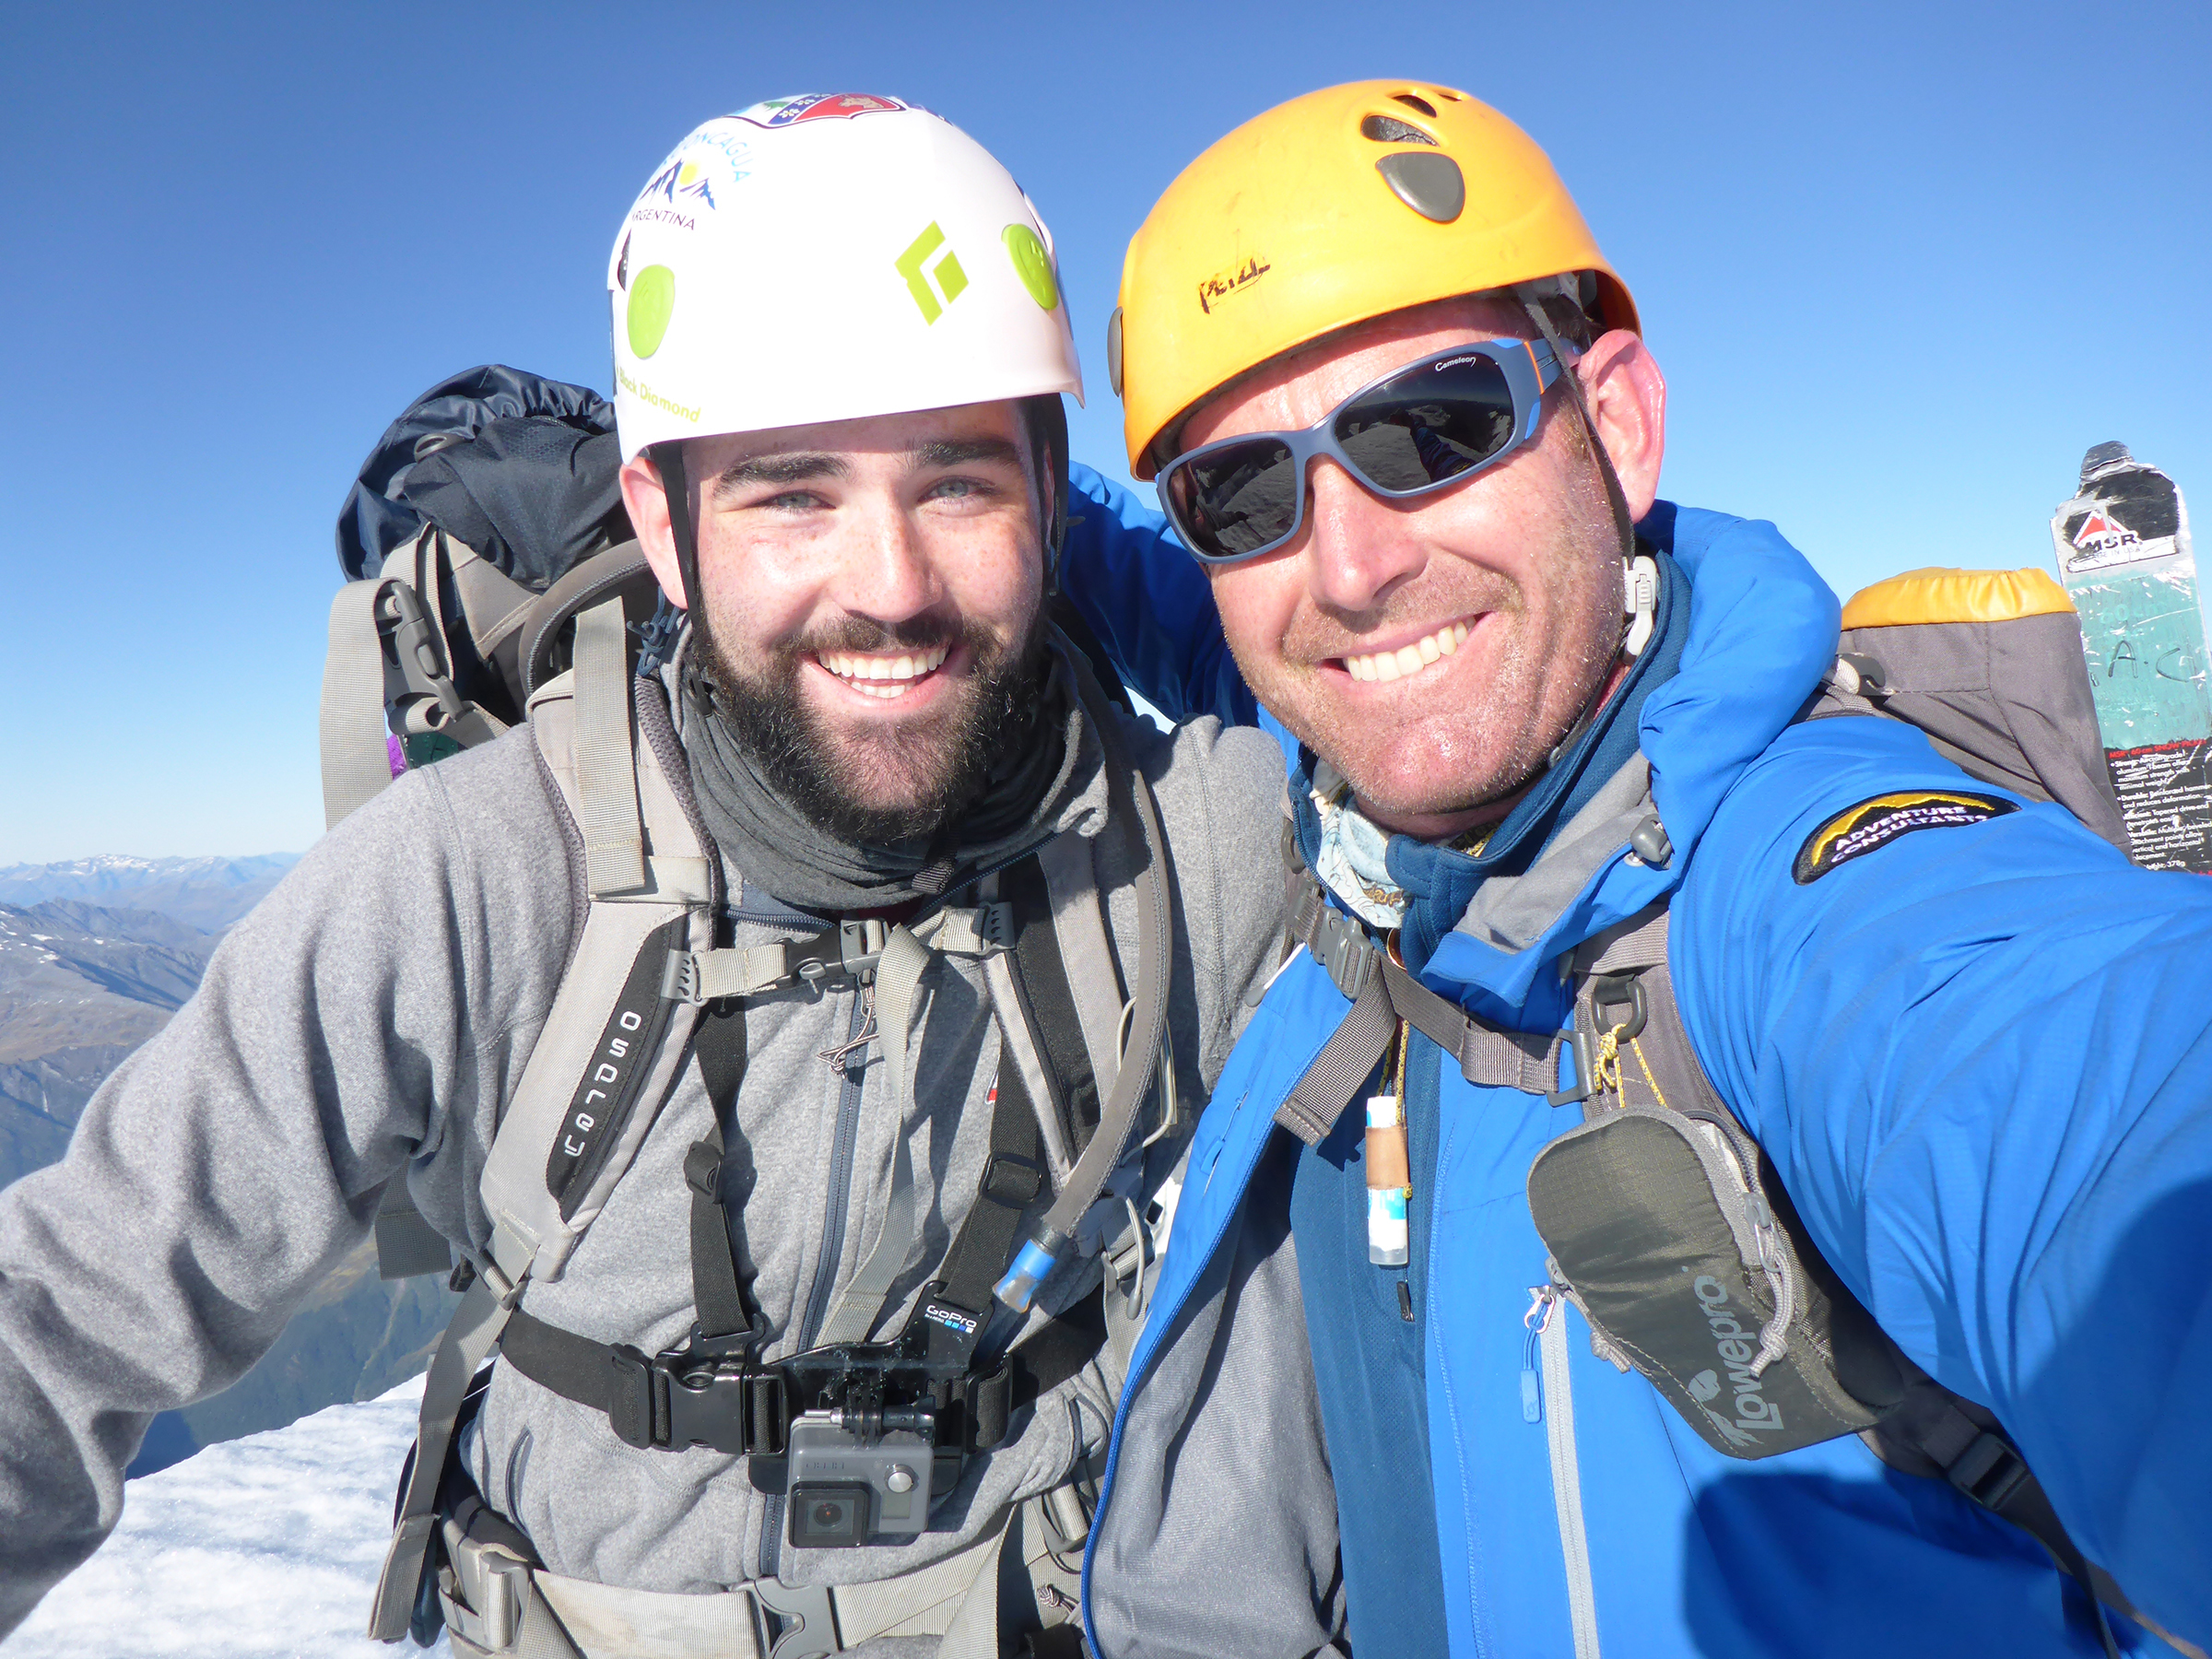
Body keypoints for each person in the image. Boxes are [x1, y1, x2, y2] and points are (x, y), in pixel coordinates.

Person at [0, 98, 1289, 1659]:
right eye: (791, 490)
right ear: (666, 533)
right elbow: (65, 1315)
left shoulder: (1196, 850)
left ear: (1053, 506)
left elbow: (1555, 778)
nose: (888, 589)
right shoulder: (481, 880)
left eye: (959, 482)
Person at [1055, 81, 2212, 1659]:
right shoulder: (1371, 825)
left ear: (1616, 421)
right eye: (1240, 493)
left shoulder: (1797, 886)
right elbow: (1190, 607)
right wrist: (945, 438)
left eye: (1430, 427)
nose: (1348, 564)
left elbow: (2088, 1105)